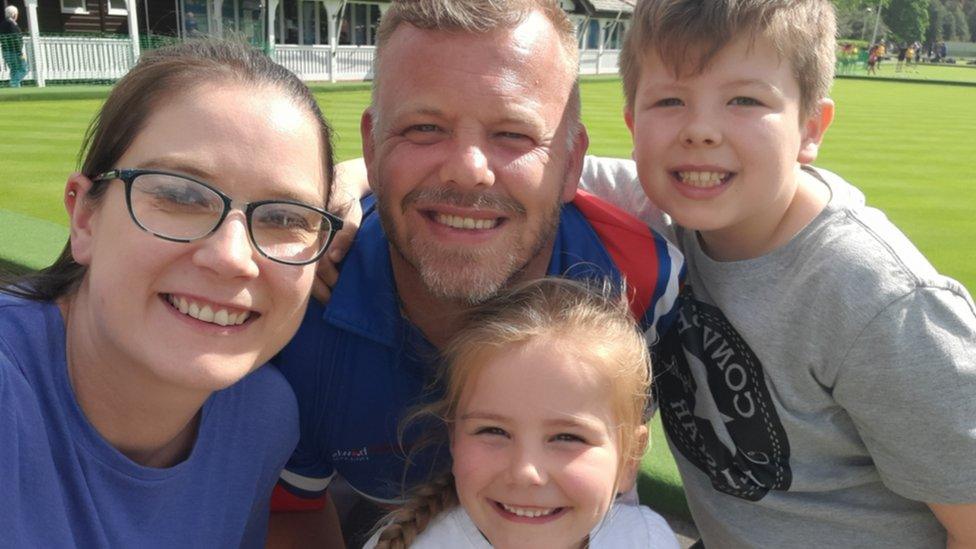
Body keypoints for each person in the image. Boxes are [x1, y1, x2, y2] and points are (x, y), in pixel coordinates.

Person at [267, 1, 684, 546]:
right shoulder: (297, 311)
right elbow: (294, 512)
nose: (468, 169)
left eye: (512, 134)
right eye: (423, 128)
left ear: (571, 160)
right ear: (371, 148)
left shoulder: (647, 278)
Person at [579, 0, 976, 546]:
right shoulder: (660, 215)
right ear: (633, 124)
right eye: (669, 100)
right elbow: (527, 161)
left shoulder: (883, 304)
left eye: (744, 99)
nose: (699, 129)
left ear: (810, 128)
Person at [0, 40, 344, 547]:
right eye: (180, 195)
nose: (232, 256)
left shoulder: (263, 417)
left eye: (285, 218)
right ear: (85, 217)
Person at [364, 278, 681, 549]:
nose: (525, 471)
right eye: (493, 431)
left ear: (629, 457)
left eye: (567, 437)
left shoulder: (646, 539)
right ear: (454, 437)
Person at [1, 5, 27, 88]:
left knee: (14, 70)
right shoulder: (11, 24)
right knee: (24, 69)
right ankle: (14, 83)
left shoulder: (3, 24)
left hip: (6, 51)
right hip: (14, 51)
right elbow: (15, 39)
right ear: (14, 14)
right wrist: (20, 53)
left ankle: (15, 89)